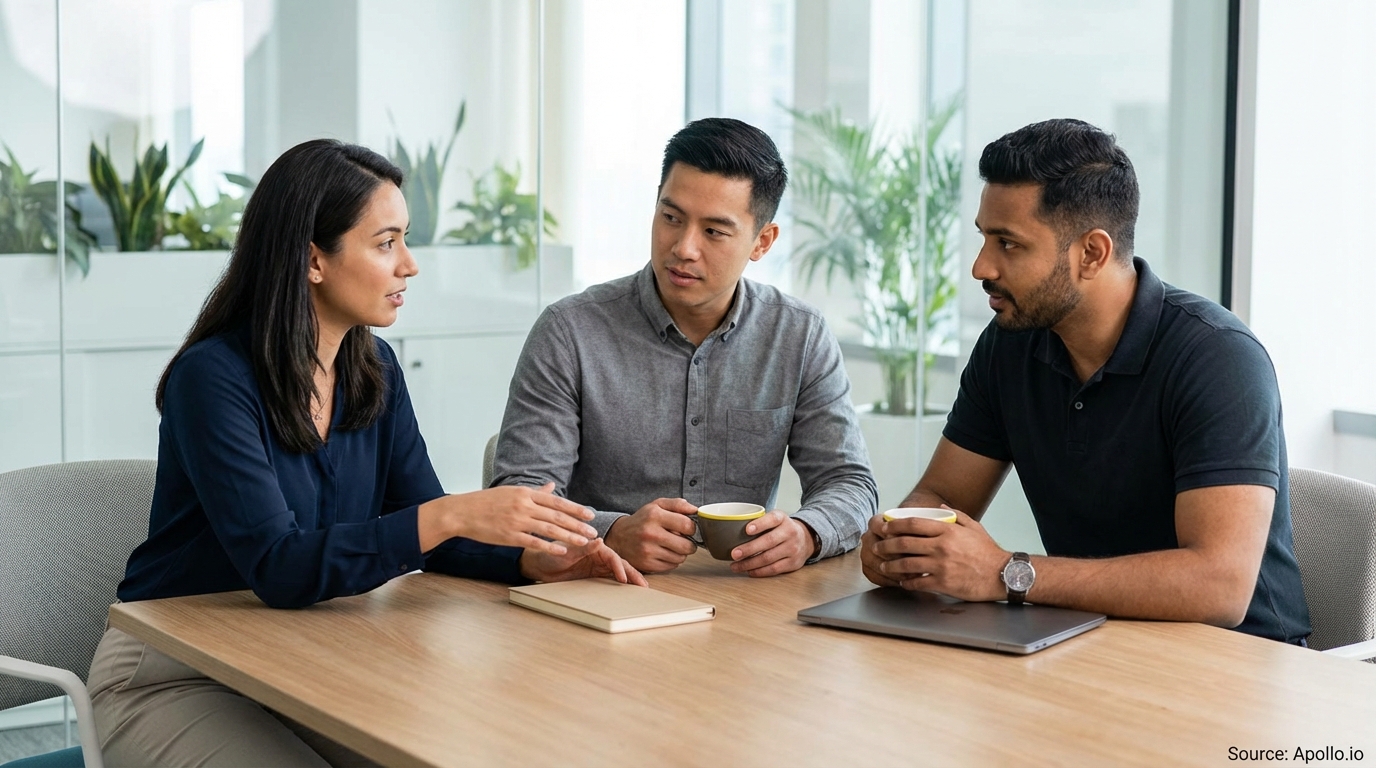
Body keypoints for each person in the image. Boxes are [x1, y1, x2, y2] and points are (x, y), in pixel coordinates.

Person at [87, 139, 645, 767]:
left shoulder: (373, 367)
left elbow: (429, 527)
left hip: (306, 662)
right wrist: (455, 514)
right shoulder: (213, 379)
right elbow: (279, 566)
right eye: (386, 244)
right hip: (177, 672)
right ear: (312, 260)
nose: (409, 265)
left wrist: (532, 564)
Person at [861, 118, 1311, 644]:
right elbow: (942, 494)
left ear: (1092, 253)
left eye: (1009, 244)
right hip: (1088, 640)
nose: (981, 267)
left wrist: (1006, 572)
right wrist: (903, 543)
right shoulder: (1011, 341)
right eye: (984, 238)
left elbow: (1219, 587)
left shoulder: (1218, 359)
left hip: (1237, 666)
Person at [492, 118, 877, 577]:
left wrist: (807, 533)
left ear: (762, 241)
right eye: (671, 217)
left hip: (742, 600)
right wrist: (611, 533)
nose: (683, 248)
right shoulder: (569, 331)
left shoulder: (798, 334)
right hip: (600, 590)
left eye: (714, 232)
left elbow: (849, 483)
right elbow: (523, 493)